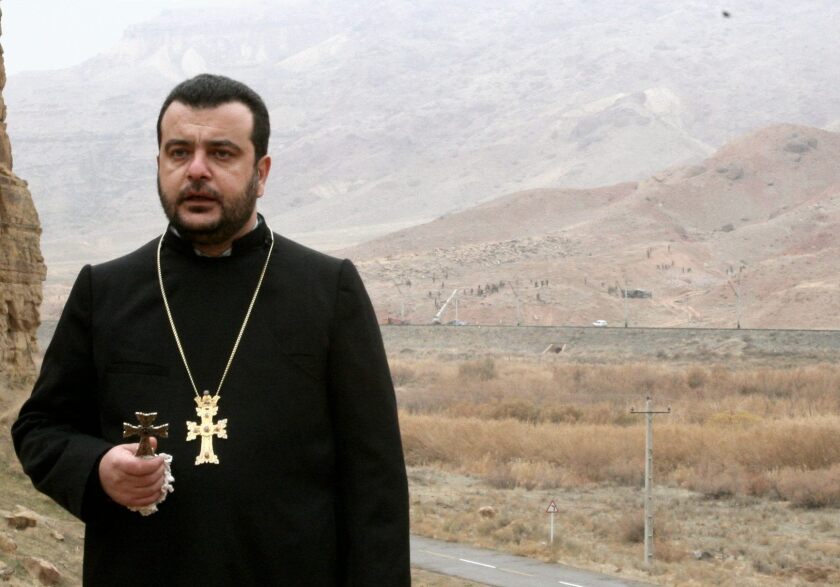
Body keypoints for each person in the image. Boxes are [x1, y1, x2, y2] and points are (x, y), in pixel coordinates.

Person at [12, 74, 410, 586]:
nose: (196, 170)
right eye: (179, 152)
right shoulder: (105, 290)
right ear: (159, 164)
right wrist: (96, 468)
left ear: (261, 172)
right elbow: (40, 428)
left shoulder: (328, 291)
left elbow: (375, 482)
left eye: (221, 154)